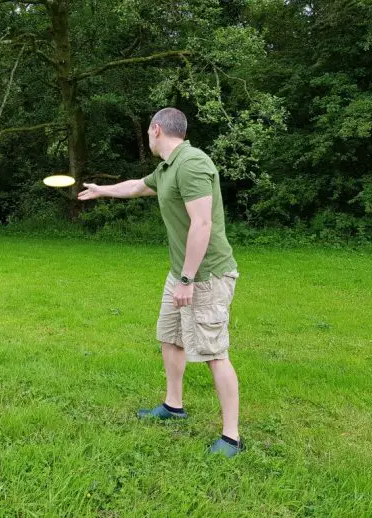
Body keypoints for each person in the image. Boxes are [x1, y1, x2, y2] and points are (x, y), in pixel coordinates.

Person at [77, 107, 244, 457]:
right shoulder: (168, 167)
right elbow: (139, 186)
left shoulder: (192, 163)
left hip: (206, 275)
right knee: (170, 337)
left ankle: (232, 437)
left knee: (214, 353)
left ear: (155, 130)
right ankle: (173, 406)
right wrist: (101, 190)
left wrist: (187, 279)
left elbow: (202, 225)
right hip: (180, 273)